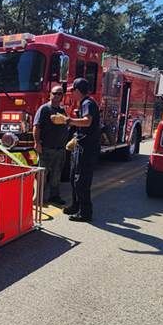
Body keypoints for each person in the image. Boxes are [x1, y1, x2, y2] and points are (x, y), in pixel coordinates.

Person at [63, 77, 101, 222]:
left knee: (81, 181)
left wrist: (70, 121)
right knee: (74, 177)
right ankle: (76, 206)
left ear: (78, 90)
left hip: (87, 148)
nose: (71, 93)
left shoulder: (87, 103)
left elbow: (87, 122)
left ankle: (85, 213)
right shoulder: (84, 103)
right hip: (80, 146)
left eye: (73, 90)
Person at [33, 86, 70, 206]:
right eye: (55, 93)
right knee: (42, 175)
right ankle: (38, 197)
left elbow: (66, 125)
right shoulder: (44, 109)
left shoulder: (62, 110)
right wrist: (37, 143)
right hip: (46, 148)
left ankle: (54, 196)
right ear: (50, 94)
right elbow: (36, 127)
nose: (57, 96)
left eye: (60, 94)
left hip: (60, 149)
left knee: (57, 174)